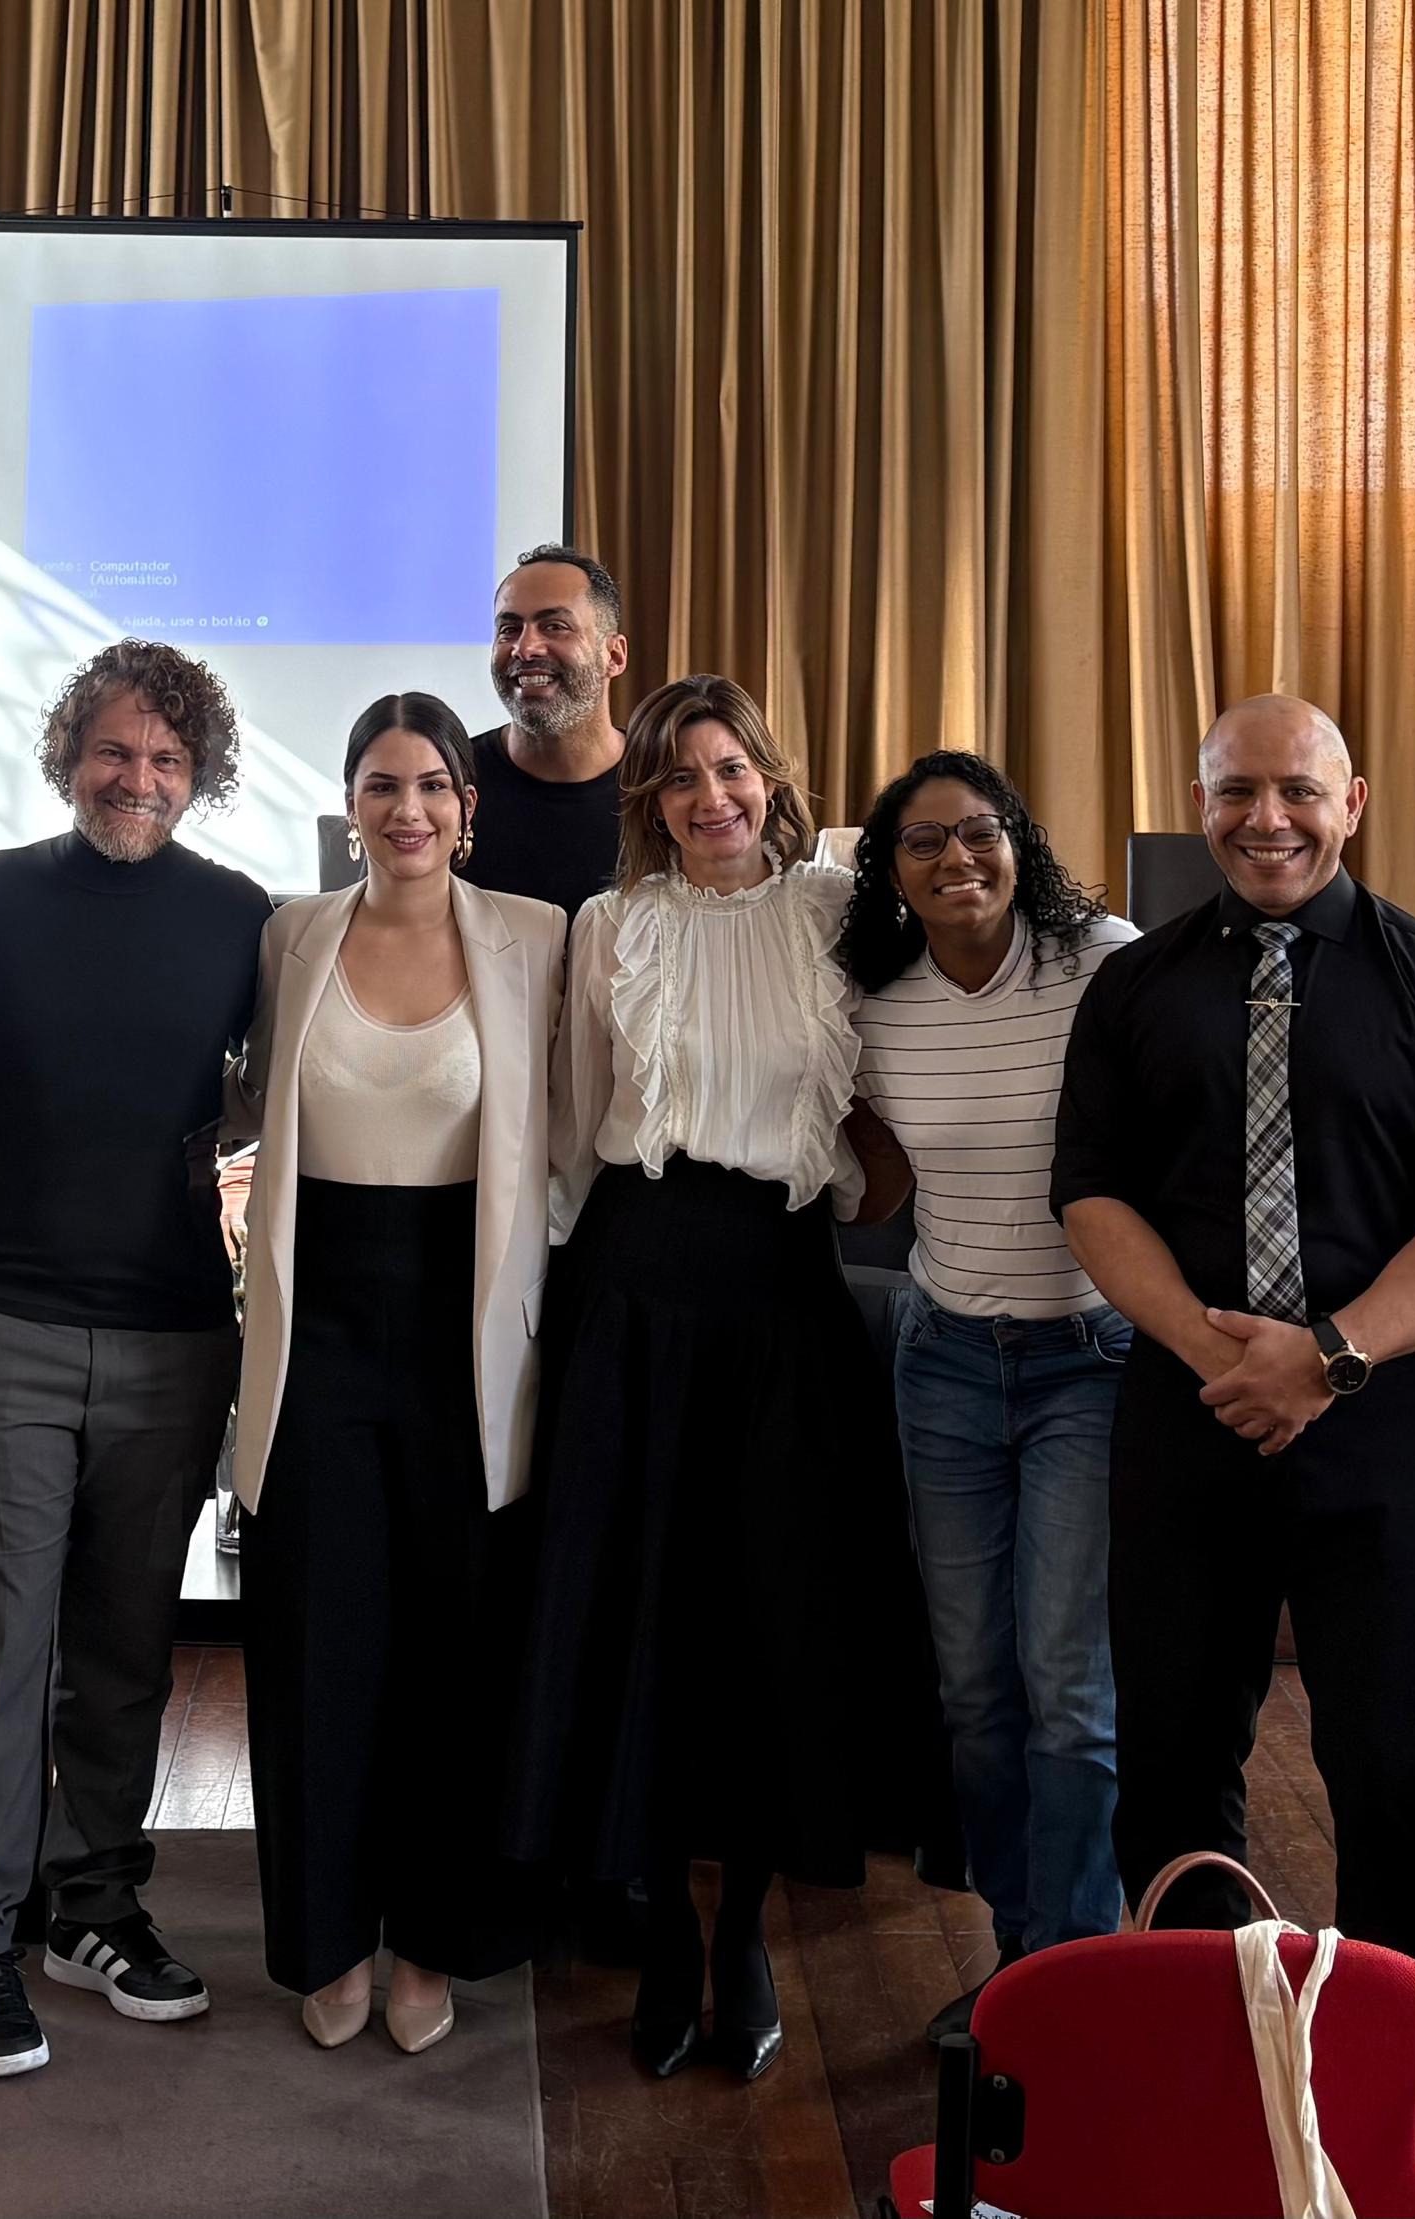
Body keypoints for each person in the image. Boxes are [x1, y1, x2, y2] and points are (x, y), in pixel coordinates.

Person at [501, 671, 942, 2087]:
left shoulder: (836, 909)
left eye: (731, 767)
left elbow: (906, 1059)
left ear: (769, 776)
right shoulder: (608, 924)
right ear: (649, 796)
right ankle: (661, 1926)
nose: (711, 796)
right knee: (643, 1609)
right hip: (632, 1284)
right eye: (681, 775)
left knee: (772, 1608)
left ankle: (743, 1922)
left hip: (781, 1288)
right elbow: (573, 1124)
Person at [1054, 696, 1415, 1981]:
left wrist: (1324, 1354)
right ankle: (1198, 2044)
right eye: (1235, 791)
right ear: (1198, 803)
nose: (1265, 819)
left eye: (1297, 791)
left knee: (1391, 1763)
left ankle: (1398, 2051)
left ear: (1352, 803)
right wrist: (1222, 1357)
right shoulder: (1133, 984)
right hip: (1189, 1416)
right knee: (1170, 1759)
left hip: (1392, 1433)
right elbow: (1090, 1191)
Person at [0, 639, 272, 2080]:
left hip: (175, 1330)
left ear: (200, 776)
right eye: (115, 750)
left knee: (126, 1646)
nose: (138, 778)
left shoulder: (241, 918)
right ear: (70, 753)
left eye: (167, 759)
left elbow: (264, 1098)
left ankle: (95, 1905)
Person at [232, 693, 568, 2055]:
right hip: (318, 1326)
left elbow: (571, 1129)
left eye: (432, 784)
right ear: (350, 802)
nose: (407, 808)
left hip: (464, 1324)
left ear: (467, 808)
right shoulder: (293, 933)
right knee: (318, 1641)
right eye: (382, 784)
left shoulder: (535, 937)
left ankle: (432, 1938)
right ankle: (324, 1938)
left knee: (454, 1649)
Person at [842, 749, 1141, 2032]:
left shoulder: (1105, 965)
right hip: (946, 1360)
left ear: (1018, 840)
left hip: (1090, 1360)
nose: (955, 859)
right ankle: (1021, 1958)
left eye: (978, 832)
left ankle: (1072, 1979)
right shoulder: (874, 1004)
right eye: (922, 842)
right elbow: (871, 1174)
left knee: (1067, 1686)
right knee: (971, 1688)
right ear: (890, 872)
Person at [460, 544, 631, 916]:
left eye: (555, 626)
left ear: (614, 656)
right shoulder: (448, 783)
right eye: (509, 629)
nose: (525, 648)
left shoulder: (666, 784)